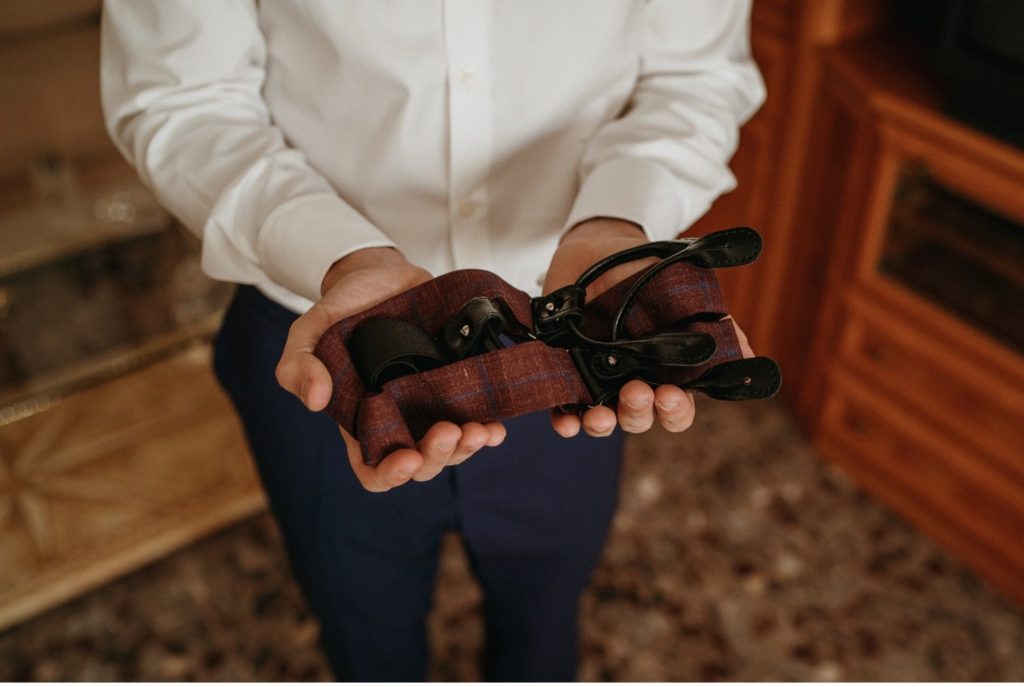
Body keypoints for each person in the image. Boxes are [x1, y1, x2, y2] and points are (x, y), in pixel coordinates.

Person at [101, 1, 764, 680]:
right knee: (362, 630)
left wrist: (618, 221)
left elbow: (696, 76)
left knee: (544, 616)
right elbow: (180, 98)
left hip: (577, 337)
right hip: (329, 343)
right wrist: (338, 253)